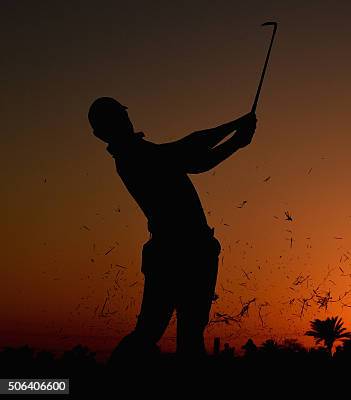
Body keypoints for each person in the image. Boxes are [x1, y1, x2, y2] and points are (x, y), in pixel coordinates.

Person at [87, 97, 257, 364]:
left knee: (170, 334)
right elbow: (188, 154)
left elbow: (194, 159)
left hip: (181, 252)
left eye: (122, 115)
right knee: (161, 334)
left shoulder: (137, 154)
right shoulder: (135, 156)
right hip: (181, 253)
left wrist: (236, 139)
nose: (125, 120)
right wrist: (236, 131)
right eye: (118, 117)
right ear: (102, 133)